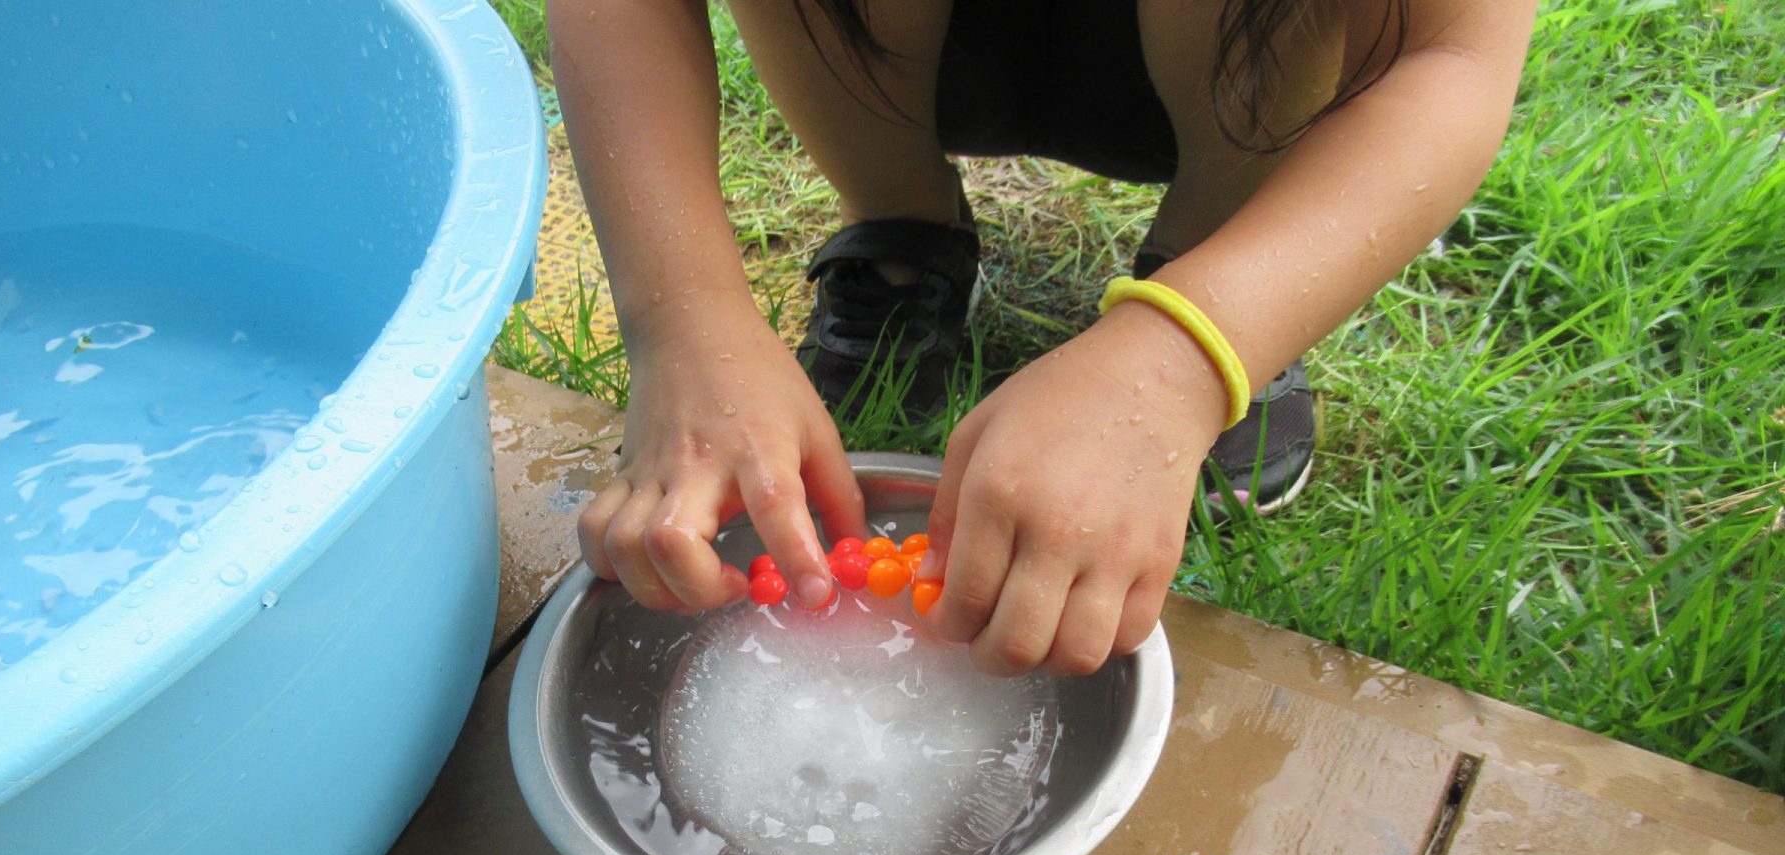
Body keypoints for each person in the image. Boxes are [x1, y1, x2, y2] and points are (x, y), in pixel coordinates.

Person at [550, 0, 1535, 676]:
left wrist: (1186, 354)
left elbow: (1451, 52)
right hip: (901, 50)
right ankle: (903, 231)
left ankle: (1215, 257)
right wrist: (685, 320)